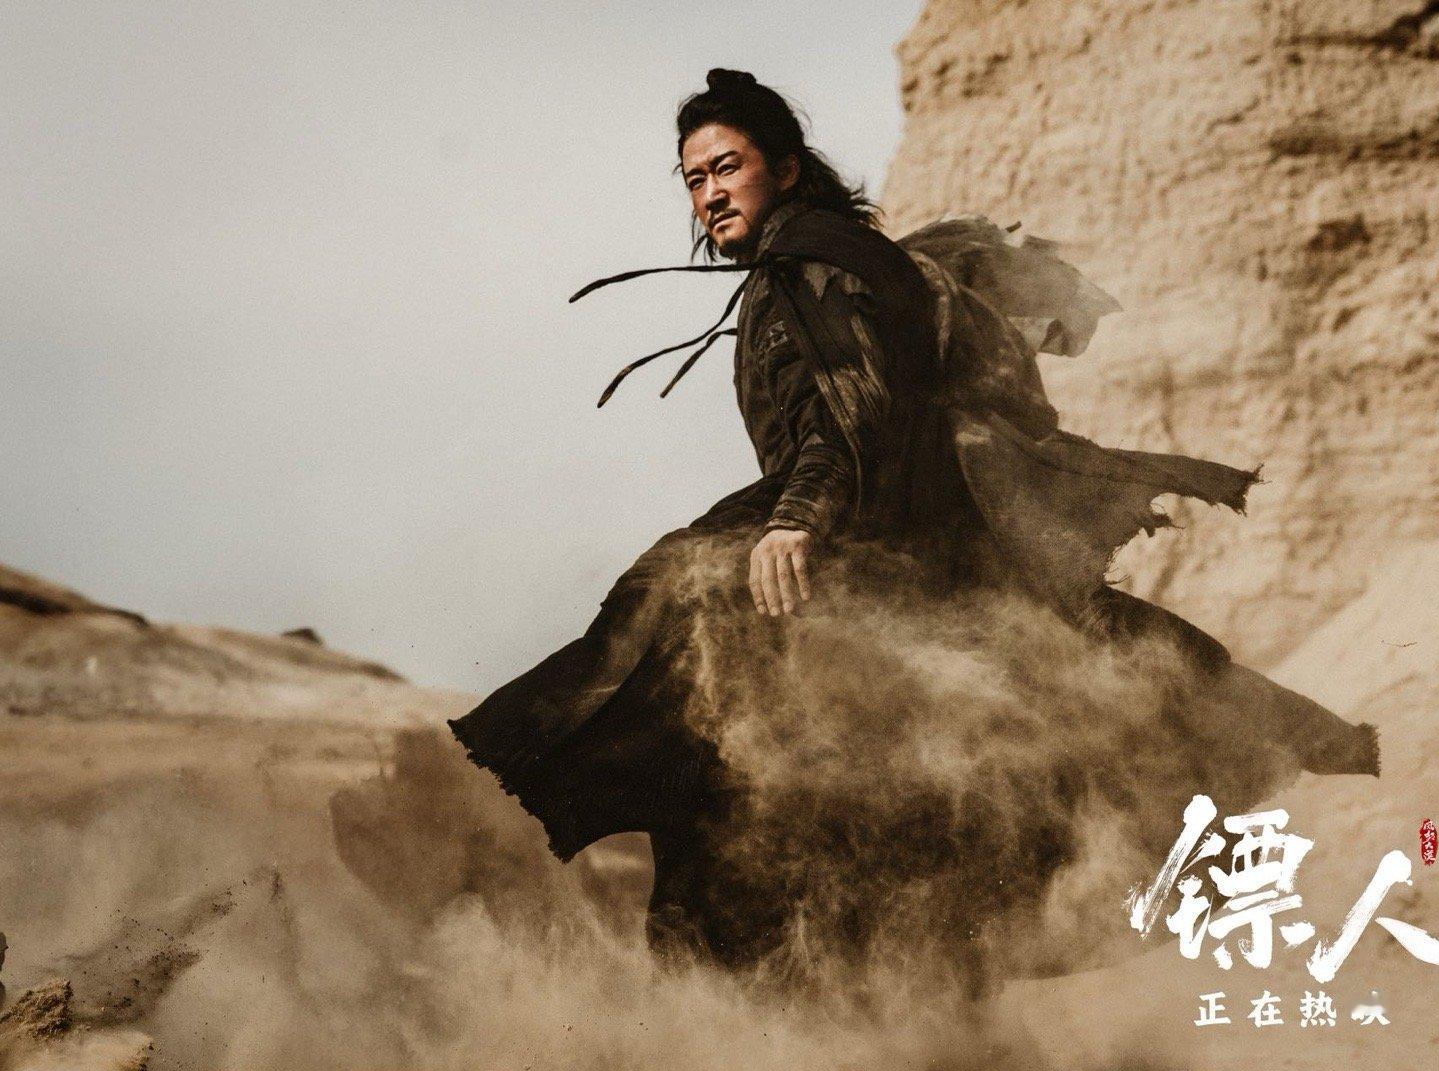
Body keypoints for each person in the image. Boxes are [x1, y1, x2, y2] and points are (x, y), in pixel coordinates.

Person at [448, 69, 1377, 984]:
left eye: (727, 168)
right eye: (694, 179)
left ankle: (512, 853)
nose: (710, 194)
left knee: (661, 674)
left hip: (859, 548)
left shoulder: (812, 260)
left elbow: (853, 408)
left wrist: (796, 520)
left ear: (786, 168)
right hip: (898, 552)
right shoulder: (824, 257)